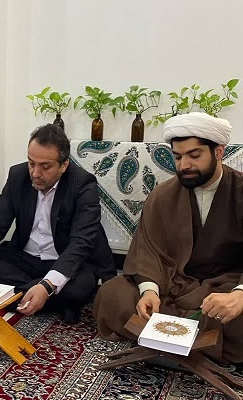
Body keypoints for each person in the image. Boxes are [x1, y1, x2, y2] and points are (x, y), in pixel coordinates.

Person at [94, 112, 243, 364]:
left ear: (218, 152)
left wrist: (239, 294)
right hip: (175, 285)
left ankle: (160, 337)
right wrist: (149, 291)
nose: (184, 165)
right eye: (178, 156)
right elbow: (148, 250)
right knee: (113, 294)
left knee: (237, 318)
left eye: (194, 155)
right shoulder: (163, 195)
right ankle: (195, 342)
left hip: (224, 290)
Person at [0, 124, 116, 323]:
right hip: (26, 258)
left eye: (45, 166)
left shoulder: (83, 183)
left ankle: (26, 296)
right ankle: (54, 300)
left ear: (64, 165)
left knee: (81, 285)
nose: (35, 173)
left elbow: (80, 243)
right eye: (31, 163)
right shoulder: (18, 176)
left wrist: (47, 285)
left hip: (65, 258)